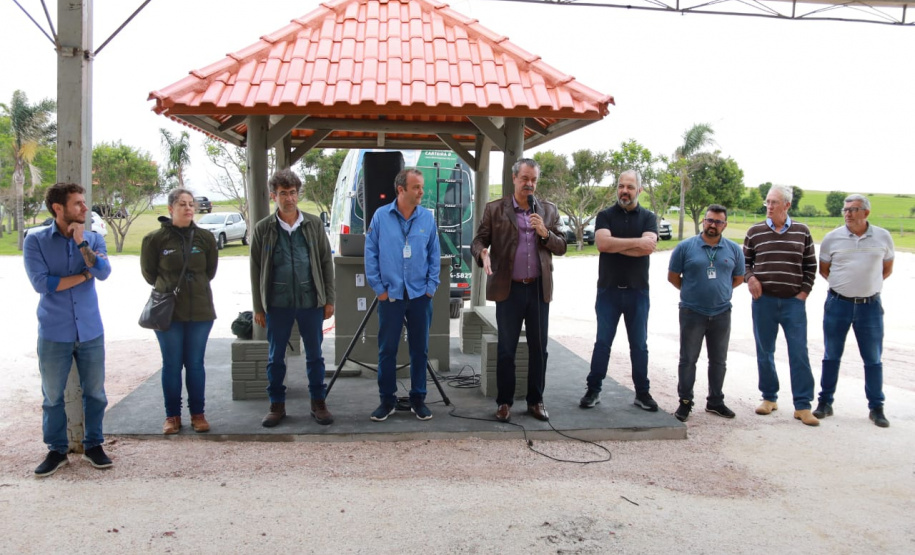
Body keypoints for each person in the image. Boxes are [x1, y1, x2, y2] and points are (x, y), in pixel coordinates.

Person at [24, 182, 113, 477]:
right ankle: (56, 450)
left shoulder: (92, 239)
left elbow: (103, 273)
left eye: (84, 203)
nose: (85, 208)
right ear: (58, 208)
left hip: (90, 331)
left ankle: (94, 445)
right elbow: (42, 284)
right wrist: (82, 276)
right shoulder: (35, 241)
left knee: (96, 394)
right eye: (78, 204)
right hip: (53, 332)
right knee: (52, 396)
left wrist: (81, 245)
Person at [471, 158, 566, 423]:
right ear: (514, 178)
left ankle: (536, 401)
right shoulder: (495, 209)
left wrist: (544, 233)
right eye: (525, 179)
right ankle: (504, 402)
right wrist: (483, 254)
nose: (529, 184)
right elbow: (478, 240)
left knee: (539, 348)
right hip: (508, 290)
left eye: (534, 180)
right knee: (506, 349)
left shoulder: (547, 210)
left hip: (537, 290)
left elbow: (562, 246)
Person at [250, 169, 336, 427]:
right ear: (273, 196)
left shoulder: (313, 224)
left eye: (293, 193)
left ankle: (318, 402)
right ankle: (276, 405)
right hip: (277, 303)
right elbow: (255, 269)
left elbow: (325, 261)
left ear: (298, 194)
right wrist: (258, 306)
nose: (289, 198)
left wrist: (329, 299)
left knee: (315, 355)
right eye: (283, 193)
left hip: (311, 301)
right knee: (276, 357)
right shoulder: (263, 228)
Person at [365, 169, 441, 422]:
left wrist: (431, 288)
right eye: (417, 187)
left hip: (420, 295)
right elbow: (371, 254)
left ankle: (418, 399)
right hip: (392, 295)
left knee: (420, 350)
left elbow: (434, 255)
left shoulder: (427, 219)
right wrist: (380, 291)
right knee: (387, 350)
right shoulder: (380, 217)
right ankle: (386, 400)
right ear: (401, 190)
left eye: (421, 187)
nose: (422, 192)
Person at [140, 188, 219, 434]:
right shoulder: (154, 239)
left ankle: (198, 414)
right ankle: (172, 416)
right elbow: (150, 274)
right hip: (168, 312)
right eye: (182, 204)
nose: (188, 208)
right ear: (171, 209)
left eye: (191, 204)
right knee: (172, 364)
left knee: (195, 363)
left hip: (201, 311)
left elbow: (210, 272)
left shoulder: (205, 238)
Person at [580, 170, 659, 412]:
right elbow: (602, 244)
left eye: (630, 187)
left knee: (639, 345)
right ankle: (593, 390)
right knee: (602, 342)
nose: (625, 191)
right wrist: (635, 242)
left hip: (638, 292)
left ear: (639, 190)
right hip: (608, 291)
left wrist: (616, 246)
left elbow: (648, 248)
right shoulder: (605, 215)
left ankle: (642, 393)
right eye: (621, 186)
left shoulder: (648, 217)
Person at [815, 194, 894, 428]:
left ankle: (876, 407)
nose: (848, 213)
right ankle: (825, 402)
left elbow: (887, 268)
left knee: (873, 359)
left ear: (866, 213)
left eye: (854, 209)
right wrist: (846, 287)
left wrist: (866, 287)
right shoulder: (832, 238)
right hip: (838, 304)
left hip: (870, 307)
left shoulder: (883, 237)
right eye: (845, 209)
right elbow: (824, 270)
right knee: (831, 356)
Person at [744, 184, 819, 426]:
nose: (769, 206)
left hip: (793, 303)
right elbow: (745, 263)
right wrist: (751, 277)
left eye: (774, 202)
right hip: (763, 302)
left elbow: (810, 266)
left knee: (799, 352)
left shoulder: (802, 231)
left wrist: (804, 293)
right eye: (767, 202)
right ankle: (769, 398)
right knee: (765, 351)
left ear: (787, 205)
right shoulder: (754, 232)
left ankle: (803, 405)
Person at [667, 204, 745, 422]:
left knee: (719, 360)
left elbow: (739, 278)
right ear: (703, 221)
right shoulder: (685, 247)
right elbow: (673, 276)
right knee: (688, 359)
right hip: (692, 312)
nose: (713, 225)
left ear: (725, 225)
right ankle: (685, 402)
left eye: (718, 222)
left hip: (721, 312)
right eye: (710, 220)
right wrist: (692, 292)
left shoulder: (733, 249)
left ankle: (715, 401)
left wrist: (721, 292)